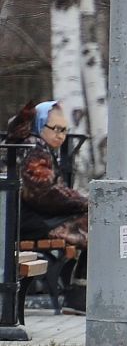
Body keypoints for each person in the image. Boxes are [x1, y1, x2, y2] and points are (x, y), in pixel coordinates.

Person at [5, 101, 89, 250]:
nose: (61, 136)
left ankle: (83, 271)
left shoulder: (40, 147)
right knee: (96, 222)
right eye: (56, 129)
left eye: (64, 130)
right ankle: (86, 272)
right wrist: (83, 202)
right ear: (40, 124)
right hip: (25, 220)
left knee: (95, 221)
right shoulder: (33, 149)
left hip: (28, 217)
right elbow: (44, 194)